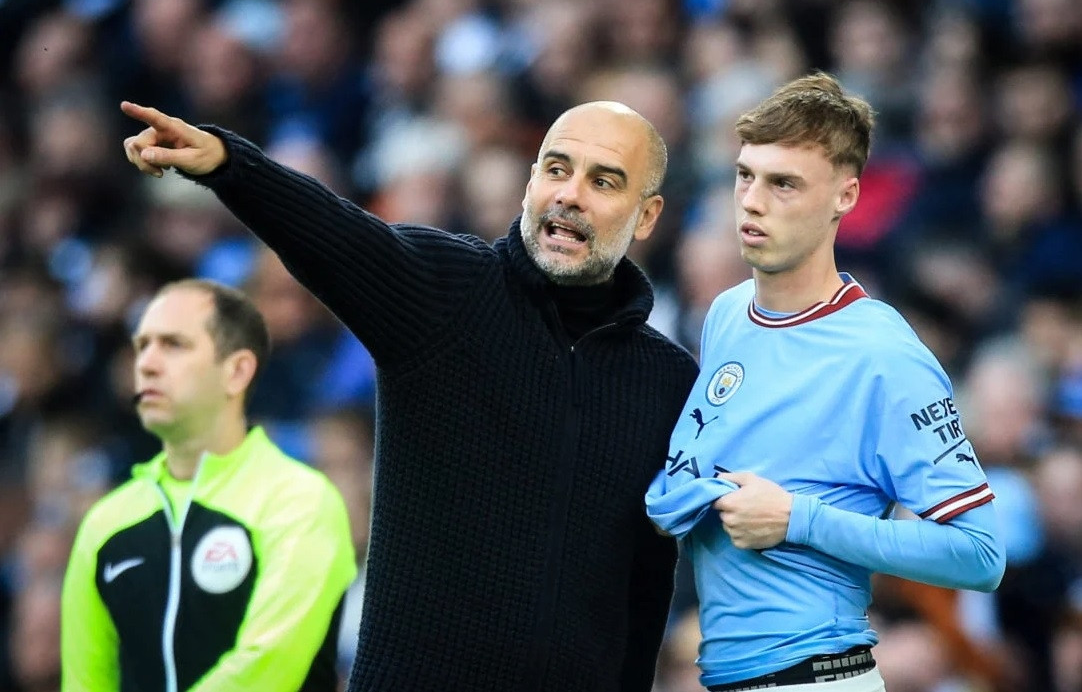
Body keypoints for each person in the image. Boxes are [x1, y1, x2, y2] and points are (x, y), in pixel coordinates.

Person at [119, 99, 699, 691]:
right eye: (556, 168)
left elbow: (645, 590)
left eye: (603, 181)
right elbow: (334, 235)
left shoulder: (668, 381)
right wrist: (225, 163)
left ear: (647, 215)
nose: (569, 194)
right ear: (530, 183)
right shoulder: (451, 294)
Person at [645, 72, 1005, 692]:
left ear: (846, 195)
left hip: (819, 677)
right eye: (745, 175)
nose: (752, 201)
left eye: (784, 183)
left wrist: (799, 519)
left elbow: (980, 555)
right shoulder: (727, 315)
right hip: (721, 677)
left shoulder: (885, 354)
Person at [61, 279, 357, 691]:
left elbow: (268, 669)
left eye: (173, 345)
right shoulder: (106, 521)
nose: (146, 363)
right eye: (142, 345)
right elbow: (84, 682)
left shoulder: (299, 500)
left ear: (236, 371)